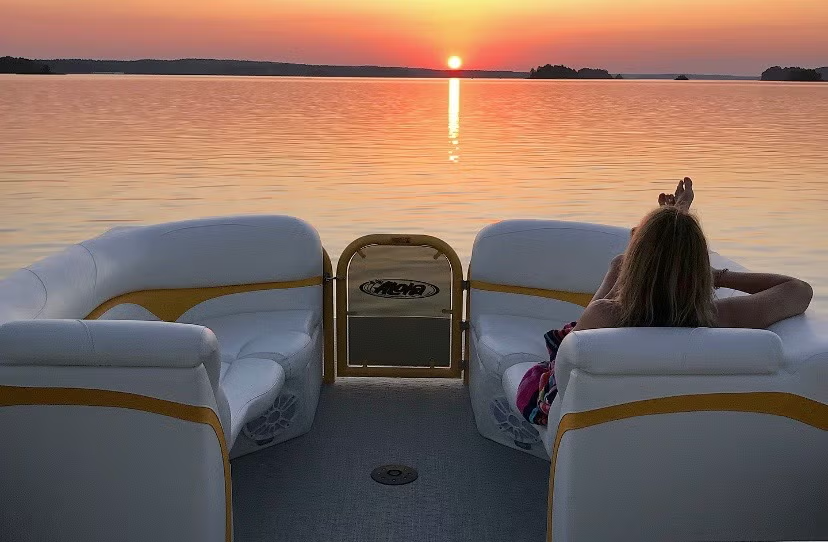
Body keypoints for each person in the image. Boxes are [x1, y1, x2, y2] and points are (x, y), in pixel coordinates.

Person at [516, 177, 813, 425]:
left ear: (638, 264)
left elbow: (565, 361)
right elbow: (798, 290)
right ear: (699, 268)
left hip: (589, 416)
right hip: (676, 423)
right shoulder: (720, 316)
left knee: (613, 271)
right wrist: (718, 276)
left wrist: (640, 252)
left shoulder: (607, 318)